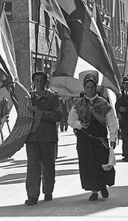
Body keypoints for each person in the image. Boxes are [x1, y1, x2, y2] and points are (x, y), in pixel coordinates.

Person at [68, 72, 118, 201]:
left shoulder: (103, 103)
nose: (90, 90)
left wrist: (113, 138)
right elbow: (71, 120)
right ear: (84, 88)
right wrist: (80, 124)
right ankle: (94, 190)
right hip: (84, 140)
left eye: (92, 87)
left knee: (102, 163)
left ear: (96, 87)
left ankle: (102, 186)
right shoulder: (78, 104)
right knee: (88, 165)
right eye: (87, 87)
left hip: (99, 138)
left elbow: (112, 121)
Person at [24, 71, 62, 205]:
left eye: (42, 80)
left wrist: (40, 113)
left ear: (46, 82)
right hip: (32, 137)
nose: (39, 83)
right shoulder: (28, 97)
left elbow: (58, 115)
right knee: (33, 168)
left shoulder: (53, 97)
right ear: (33, 81)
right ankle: (32, 195)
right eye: (36, 80)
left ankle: (48, 191)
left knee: (48, 167)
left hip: (48, 137)